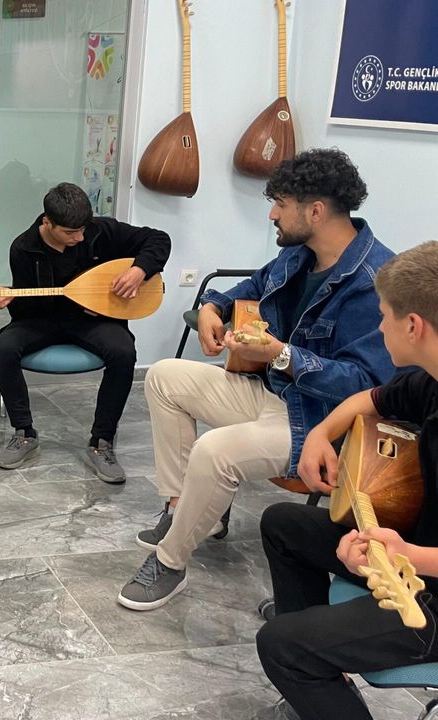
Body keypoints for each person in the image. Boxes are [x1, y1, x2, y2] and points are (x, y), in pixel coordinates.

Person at [118, 148, 396, 611]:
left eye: (280, 204)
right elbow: (247, 289)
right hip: (272, 393)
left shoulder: (374, 282)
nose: (272, 215)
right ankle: (185, 510)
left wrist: (282, 355)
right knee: (164, 377)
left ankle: (170, 563)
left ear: (315, 211)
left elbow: (366, 385)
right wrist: (213, 307)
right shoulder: (298, 256)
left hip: (322, 425)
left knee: (214, 451)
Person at [256, 241, 438, 720]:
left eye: (384, 317)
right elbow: (370, 401)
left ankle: (307, 663)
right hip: (415, 552)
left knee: (280, 645)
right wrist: (320, 434)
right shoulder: (431, 380)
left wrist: (407, 554)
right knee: (284, 525)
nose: (379, 328)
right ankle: (323, 681)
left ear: (413, 326)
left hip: (430, 594)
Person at [0, 182, 171, 483]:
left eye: (82, 229)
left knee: (123, 352)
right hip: (42, 320)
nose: (80, 237)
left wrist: (139, 269)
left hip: (92, 321)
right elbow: (25, 312)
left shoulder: (100, 231)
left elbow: (159, 239)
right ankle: (24, 432)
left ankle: (102, 442)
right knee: (4, 348)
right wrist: (12, 297)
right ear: (47, 222)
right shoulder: (23, 247)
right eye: (71, 232)